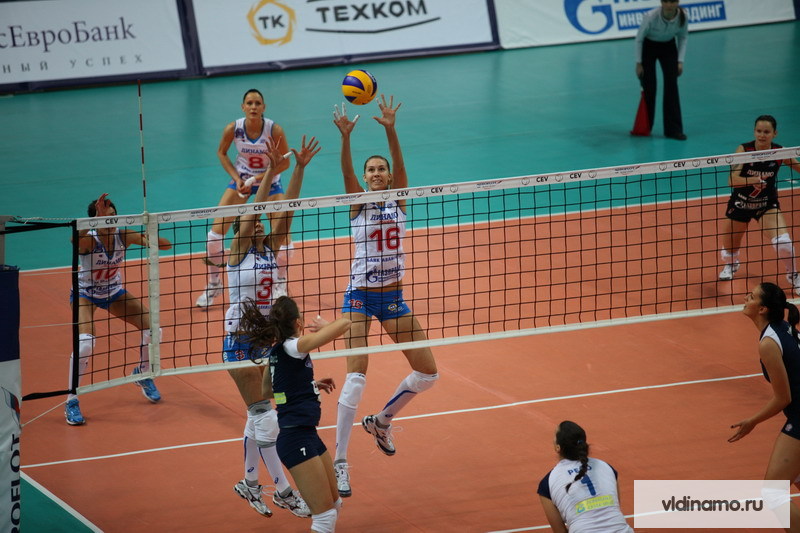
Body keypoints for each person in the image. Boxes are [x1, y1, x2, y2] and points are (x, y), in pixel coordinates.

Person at [330, 97, 439, 497]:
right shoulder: (357, 204)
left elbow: (401, 164)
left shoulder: (399, 200)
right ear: (365, 178)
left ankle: (382, 420)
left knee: (428, 373)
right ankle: (340, 462)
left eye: (381, 169)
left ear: (390, 177)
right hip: (359, 298)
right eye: (371, 170)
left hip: (393, 298)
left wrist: (391, 129)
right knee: (355, 379)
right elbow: (346, 172)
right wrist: (346, 138)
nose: (376, 173)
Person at [223, 135, 320, 518]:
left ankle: (249, 484)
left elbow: (288, 210)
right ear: (242, 231)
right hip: (239, 341)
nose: (260, 224)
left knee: (259, 416)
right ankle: (283, 491)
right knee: (266, 418)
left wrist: (299, 169)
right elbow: (256, 209)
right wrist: (267, 172)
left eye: (262, 223)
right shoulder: (237, 253)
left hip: (268, 341)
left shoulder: (269, 250)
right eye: (254, 222)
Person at [238, 296, 350, 533]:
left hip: (306, 434)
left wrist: (308, 385)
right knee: (324, 517)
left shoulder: (276, 352)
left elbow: (268, 390)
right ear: (298, 322)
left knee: (334, 505)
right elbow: (345, 323)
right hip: (295, 439)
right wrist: (326, 326)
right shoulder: (293, 346)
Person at [65, 193, 172, 425]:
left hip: (114, 293)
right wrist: (95, 220)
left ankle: (143, 373)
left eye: (113, 216)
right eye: (105, 217)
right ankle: (71, 400)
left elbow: (166, 245)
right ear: (95, 220)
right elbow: (75, 240)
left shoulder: (123, 235)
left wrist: (151, 230)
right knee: (85, 345)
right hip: (86, 295)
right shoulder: (90, 240)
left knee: (154, 329)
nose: (111, 221)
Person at [196, 88, 292, 308]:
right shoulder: (233, 128)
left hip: (270, 183)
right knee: (214, 237)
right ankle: (214, 284)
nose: (253, 107)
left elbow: (285, 162)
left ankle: (280, 282)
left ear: (264, 107)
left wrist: (259, 178)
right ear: (243, 107)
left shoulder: (274, 129)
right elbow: (221, 152)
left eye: (257, 103)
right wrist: (237, 178)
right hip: (241, 183)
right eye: (249, 103)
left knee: (285, 239)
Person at [729, 282, 800, 530]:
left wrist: (752, 422)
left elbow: (783, 398)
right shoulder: (785, 328)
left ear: (762, 309)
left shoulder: (769, 343)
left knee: (773, 492)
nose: (745, 298)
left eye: (751, 297)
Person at [718, 115, 800, 294]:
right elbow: (732, 180)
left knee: (784, 243)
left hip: (766, 205)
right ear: (754, 131)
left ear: (774, 133)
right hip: (740, 203)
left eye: (767, 132)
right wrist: (753, 180)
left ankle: (794, 275)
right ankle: (731, 264)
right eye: (759, 131)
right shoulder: (744, 150)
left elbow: (798, 167)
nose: (762, 135)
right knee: (728, 253)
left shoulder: (779, 152)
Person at [537, 421, 634, 533]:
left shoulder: (547, 483)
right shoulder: (607, 468)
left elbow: (560, 531)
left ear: (558, 447)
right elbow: (614, 509)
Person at [634, 0, 688, 140]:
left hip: (668, 47)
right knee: (649, 87)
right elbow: (639, 39)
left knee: (672, 86)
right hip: (649, 47)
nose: (669, 5)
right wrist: (639, 63)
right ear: (661, 2)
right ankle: (645, 128)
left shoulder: (683, 16)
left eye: (673, 1)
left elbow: (683, 37)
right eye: (666, 1)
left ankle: (673, 130)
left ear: (678, 2)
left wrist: (680, 61)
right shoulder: (650, 16)